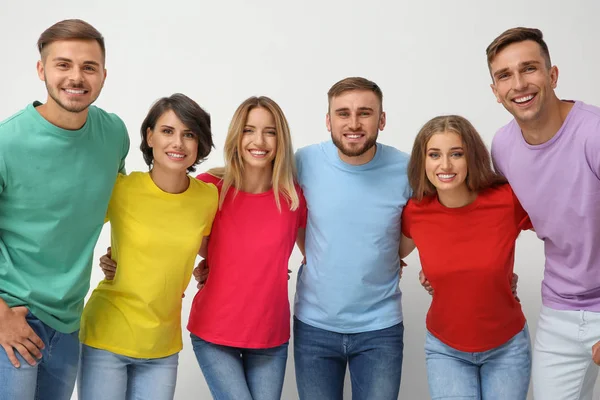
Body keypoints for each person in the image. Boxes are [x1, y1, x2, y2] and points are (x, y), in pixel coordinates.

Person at [0, 19, 129, 400]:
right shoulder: (7, 142)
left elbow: (118, 202)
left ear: (104, 75)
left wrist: (121, 254)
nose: (76, 77)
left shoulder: (113, 134)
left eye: (88, 67)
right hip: (13, 315)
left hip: (70, 319)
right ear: (42, 70)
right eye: (63, 65)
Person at [79, 93, 218, 400]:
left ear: (200, 143)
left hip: (163, 347)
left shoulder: (208, 198)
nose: (178, 143)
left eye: (189, 134)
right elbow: (71, 234)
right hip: (106, 336)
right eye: (167, 131)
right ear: (149, 136)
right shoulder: (121, 189)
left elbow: (219, 248)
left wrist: (268, 267)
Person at [486, 27, 600, 400]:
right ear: (495, 91)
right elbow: (504, 218)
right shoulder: (502, 147)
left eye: (530, 68)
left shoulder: (593, 133)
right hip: (559, 308)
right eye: (505, 75)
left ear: (552, 76)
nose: (519, 84)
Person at [293, 77, 410, 400]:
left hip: (380, 329)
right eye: (343, 113)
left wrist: (390, 254)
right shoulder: (303, 161)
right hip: (314, 325)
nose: (354, 123)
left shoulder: (406, 168)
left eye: (365, 113)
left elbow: (429, 220)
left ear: (382, 119)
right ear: (328, 121)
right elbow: (267, 199)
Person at [402, 115, 532, 399]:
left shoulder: (505, 199)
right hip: (446, 350)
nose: (445, 165)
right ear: (422, 162)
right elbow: (384, 255)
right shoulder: (415, 211)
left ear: (471, 157)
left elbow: (564, 233)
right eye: (434, 155)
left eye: (456, 154)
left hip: (506, 347)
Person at [184, 96, 306, 400]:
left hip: (270, 335)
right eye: (249, 130)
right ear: (237, 136)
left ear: (281, 139)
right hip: (214, 331)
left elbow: (315, 254)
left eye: (270, 131)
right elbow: (182, 239)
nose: (259, 141)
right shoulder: (210, 187)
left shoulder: (292, 197)